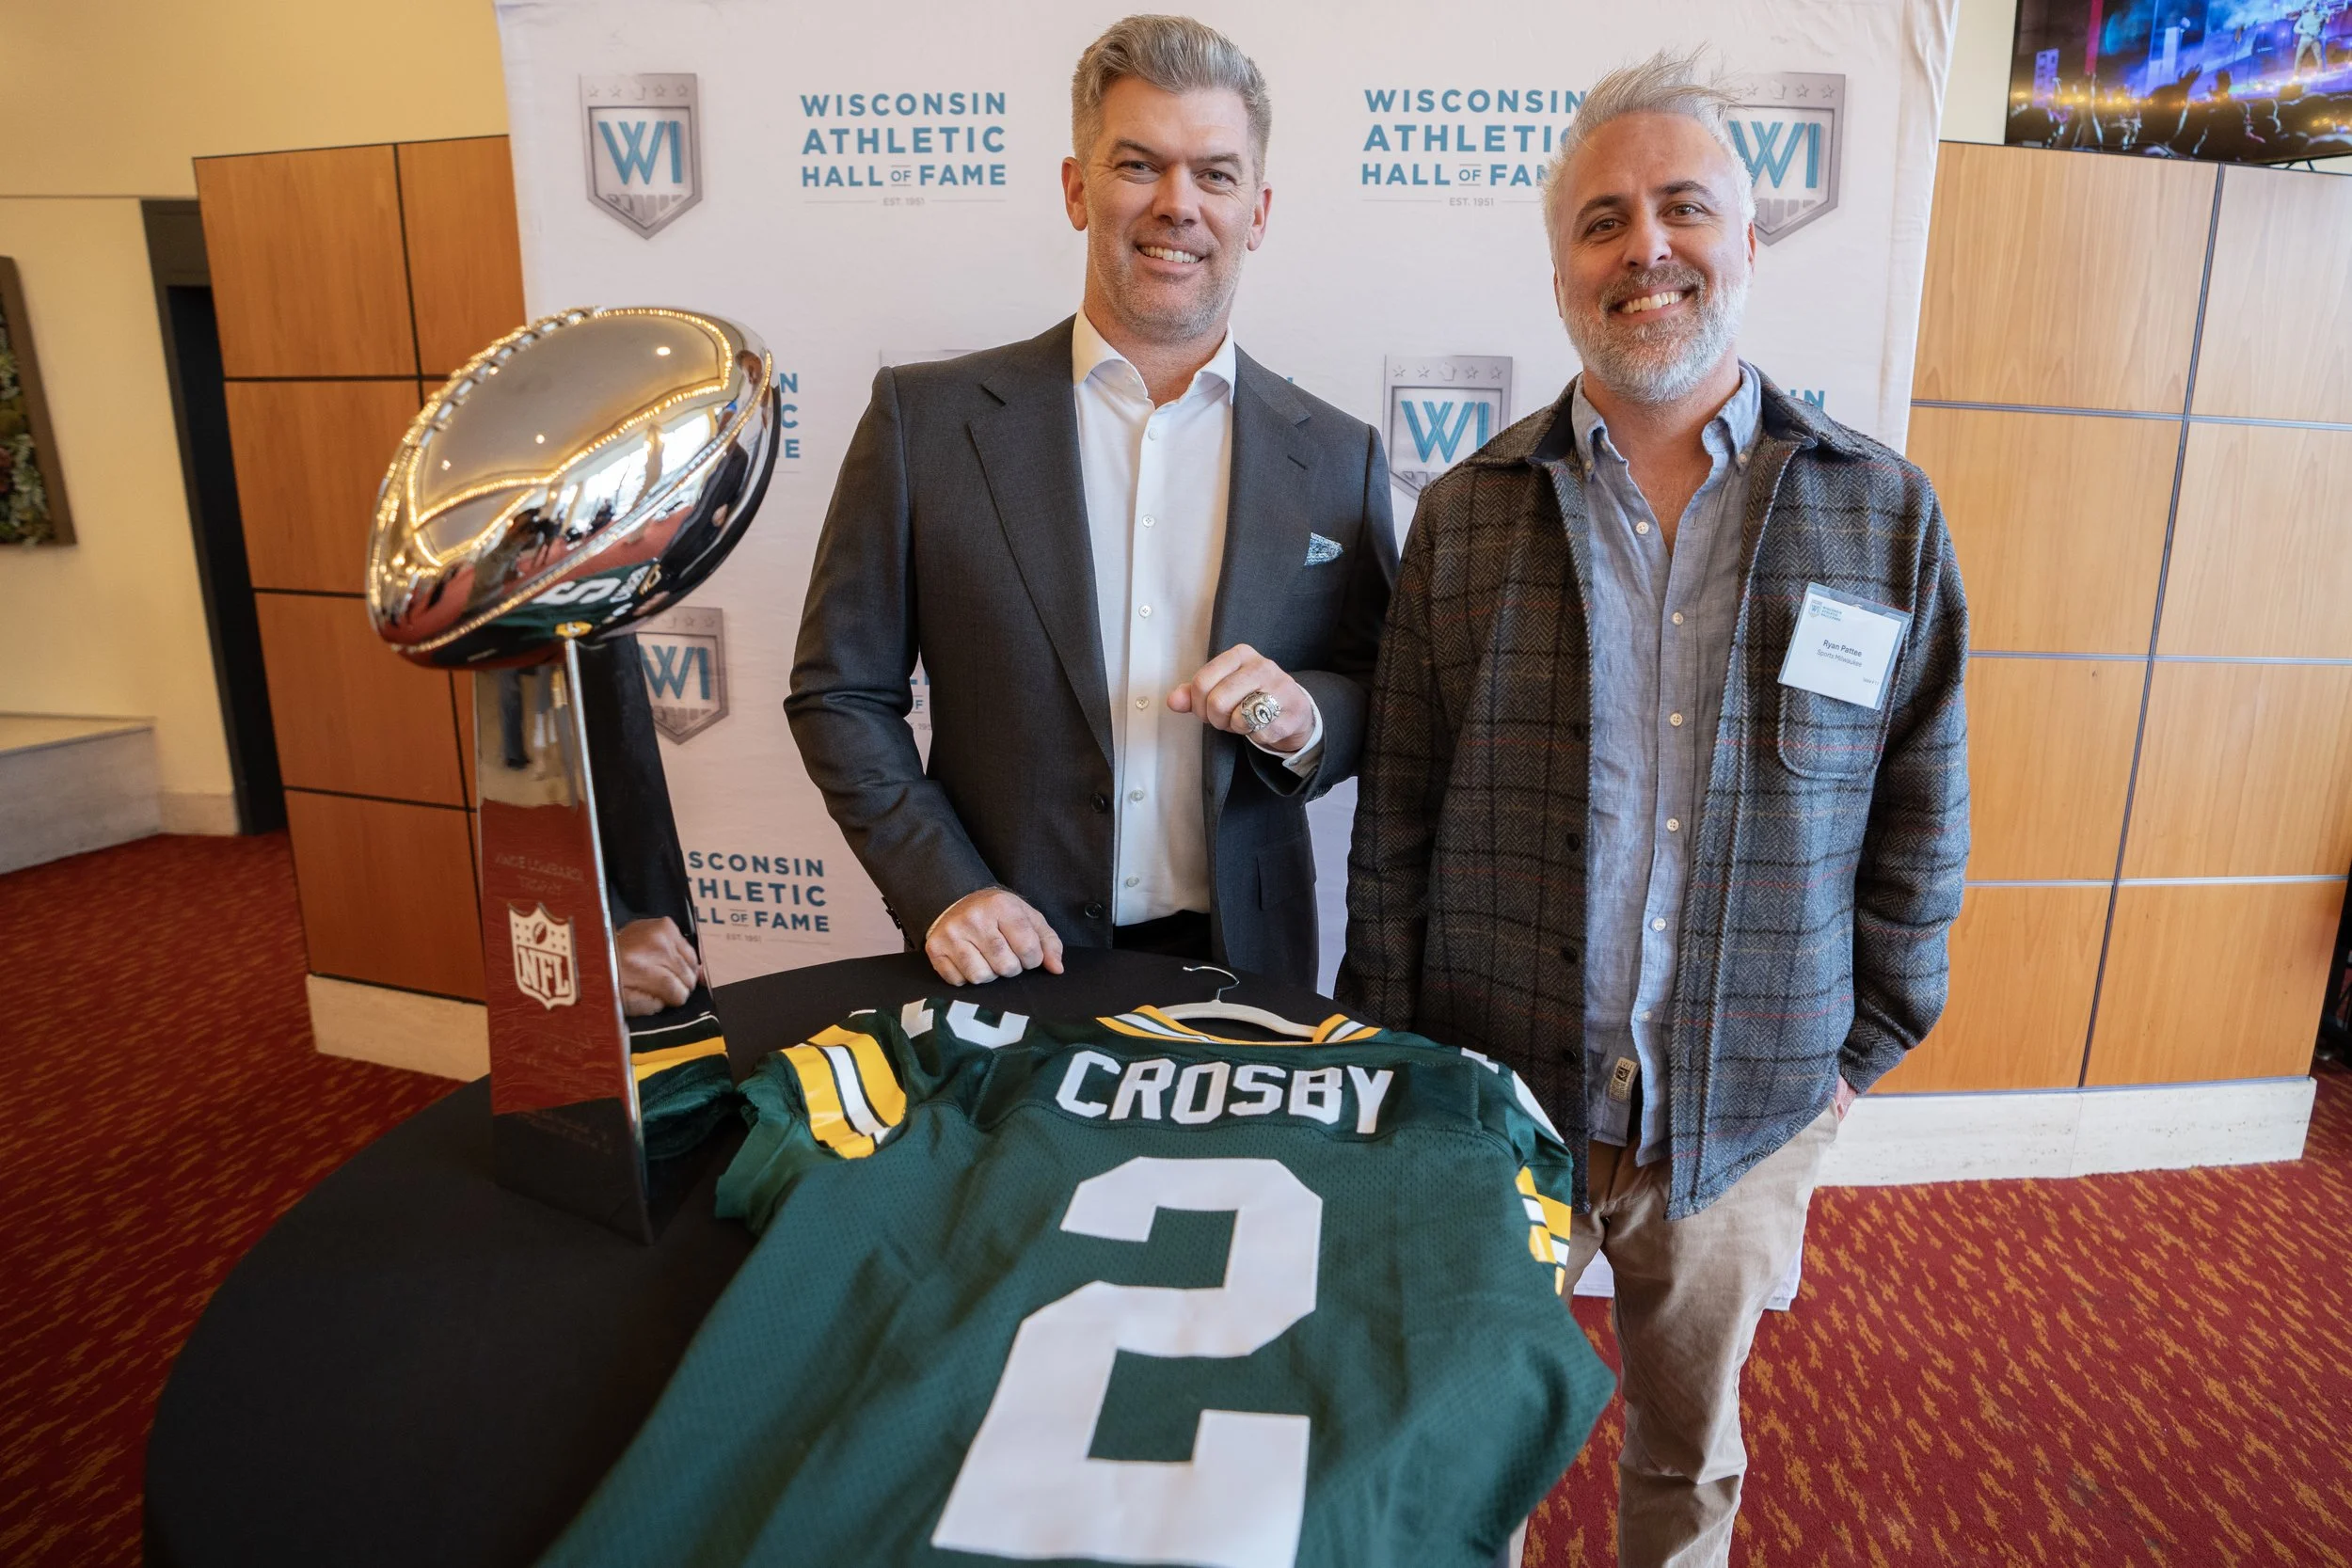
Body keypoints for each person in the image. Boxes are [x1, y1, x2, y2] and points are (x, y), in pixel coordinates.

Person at [1338, 51, 1968, 1568]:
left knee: (1689, 1457)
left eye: (1685, 209)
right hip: (1500, 1094)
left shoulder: (1878, 509)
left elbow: (1921, 804)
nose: (1648, 251)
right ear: (1563, 265)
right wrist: (1400, 1049)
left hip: (1750, 1106)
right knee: (1455, 1419)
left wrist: (1860, 1048)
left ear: (1751, 241)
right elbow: (1401, 810)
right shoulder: (1471, 510)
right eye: (1604, 221)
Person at [789, 14, 1395, 988]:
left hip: (1250, 967)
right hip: (1003, 961)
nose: (1178, 204)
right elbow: (840, 692)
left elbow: (1382, 687)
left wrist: (1307, 718)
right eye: (1137, 165)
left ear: (1260, 210)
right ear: (1077, 190)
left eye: (1215, 173)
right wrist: (942, 887)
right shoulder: (926, 421)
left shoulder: (1338, 453)